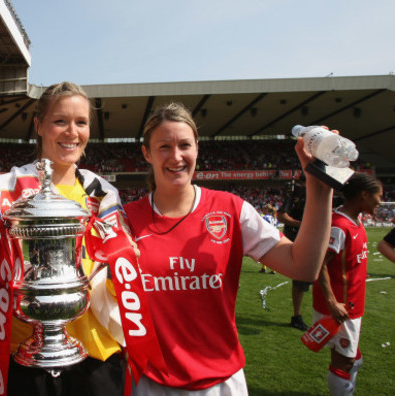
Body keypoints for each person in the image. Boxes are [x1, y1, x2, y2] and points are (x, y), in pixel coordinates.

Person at [123, 102, 334, 395]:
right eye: (163, 147)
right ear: (146, 153)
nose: (176, 156)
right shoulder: (123, 220)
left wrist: (320, 187)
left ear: (197, 148)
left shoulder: (231, 210)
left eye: (185, 145)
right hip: (149, 382)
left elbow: (303, 266)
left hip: (221, 383)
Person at [0, 81, 127, 395]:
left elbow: (122, 287)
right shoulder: (3, 191)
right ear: (38, 125)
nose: (72, 132)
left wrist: (126, 272)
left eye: (81, 122)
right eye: (60, 121)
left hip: (98, 356)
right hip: (27, 357)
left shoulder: (103, 194)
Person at [313, 172, 382, 395]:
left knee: (353, 360)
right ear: (364, 195)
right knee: (343, 363)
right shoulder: (339, 226)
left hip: (352, 305)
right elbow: (320, 264)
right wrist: (333, 303)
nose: (380, 203)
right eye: (378, 197)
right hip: (341, 309)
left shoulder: (356, 219)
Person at [277, 176, 312, 330]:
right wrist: (303, 225)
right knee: (301, 279)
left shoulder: (320, 193)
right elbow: (281, 215)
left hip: (319, 237)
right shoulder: (297, 193)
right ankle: (296, 315)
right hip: (300, 238)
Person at [259, 204, 277, 273]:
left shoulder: (265, 217)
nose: (262, 210)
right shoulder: (274, 218)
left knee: (264, 253)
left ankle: (264, 268)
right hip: (274, 236)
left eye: (263, 209)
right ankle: (273, 269)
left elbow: (262, 227)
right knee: (271, 254)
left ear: (266, 210)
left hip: (267, 236)